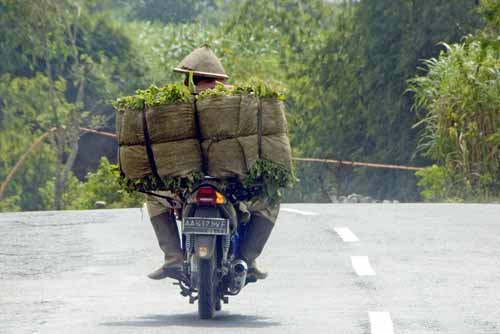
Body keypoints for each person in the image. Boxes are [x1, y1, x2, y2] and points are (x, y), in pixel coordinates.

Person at [146, 46, 279, 282]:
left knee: (154, 199)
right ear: (219, 79)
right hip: (233, 185)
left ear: (189, 79)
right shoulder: (237, 100)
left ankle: (173, 257)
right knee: (270, 200)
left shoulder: (176, 104)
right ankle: (247, 260)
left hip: (186, 185)